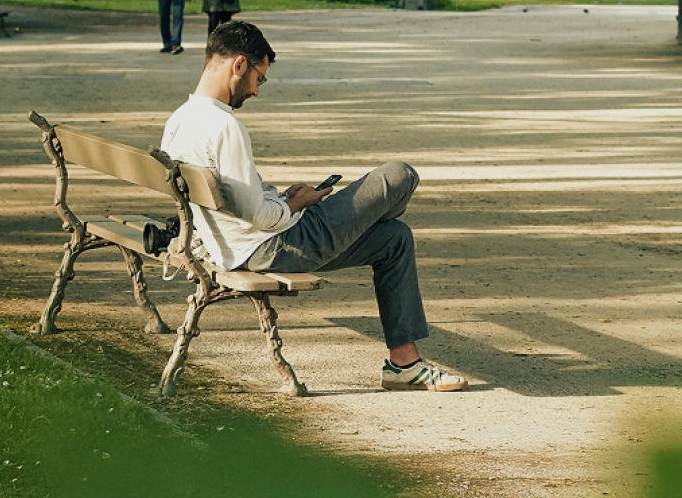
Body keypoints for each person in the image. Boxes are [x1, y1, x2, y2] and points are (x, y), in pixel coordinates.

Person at [159, 20, 467, 393]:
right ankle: (361, 223)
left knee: (394, 238)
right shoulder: (225, 127)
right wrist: (295, 203)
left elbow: (243, 202)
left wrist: (279, 198)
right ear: (239, 65)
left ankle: (404, 364)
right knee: (398, 175)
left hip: (230, 246)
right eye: (260, 77)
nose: (257, 90)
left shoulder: (179, 120)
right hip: (272, 248)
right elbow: (258, 217)